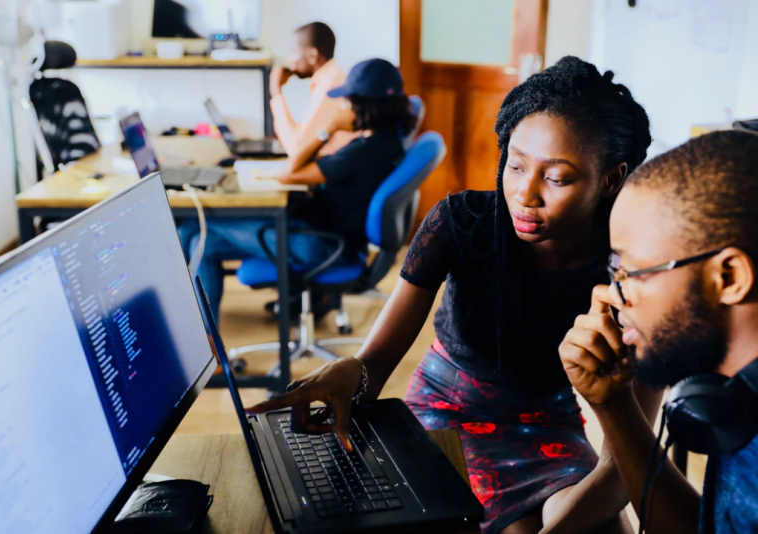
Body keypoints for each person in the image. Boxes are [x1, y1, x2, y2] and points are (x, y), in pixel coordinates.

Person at [248, 56, 658, 534]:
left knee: (603, 528)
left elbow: (627, 464)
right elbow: (375, 363)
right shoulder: (462, 224)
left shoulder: (634, 274)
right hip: (444, 414)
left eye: (556, 177)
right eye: (516, 165)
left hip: (546, 429)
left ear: (611, 178)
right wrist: (352, 374)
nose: (525, 194)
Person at [559, 130, 758, 534]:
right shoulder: (731, 394)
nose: (609, 295)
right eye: (615, 270)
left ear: (729, 277)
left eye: (633, 272)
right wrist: (613, 405)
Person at [182, 58, 416, 323]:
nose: (341, 106)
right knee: (200, 241)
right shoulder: (389, 142)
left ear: (363, 106)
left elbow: (288, 173)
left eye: (347, 101)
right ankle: (207, 340)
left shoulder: (362, 153)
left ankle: (199, 338)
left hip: (319, 246)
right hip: (329, 237)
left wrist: (326, 130)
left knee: (197, 231)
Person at [270, 21, 356, 159]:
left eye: (293, 52)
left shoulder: (330, 87)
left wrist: (276, 92)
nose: (290, 60)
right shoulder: (330, 78)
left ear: (312, 56)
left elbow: (297, 149)